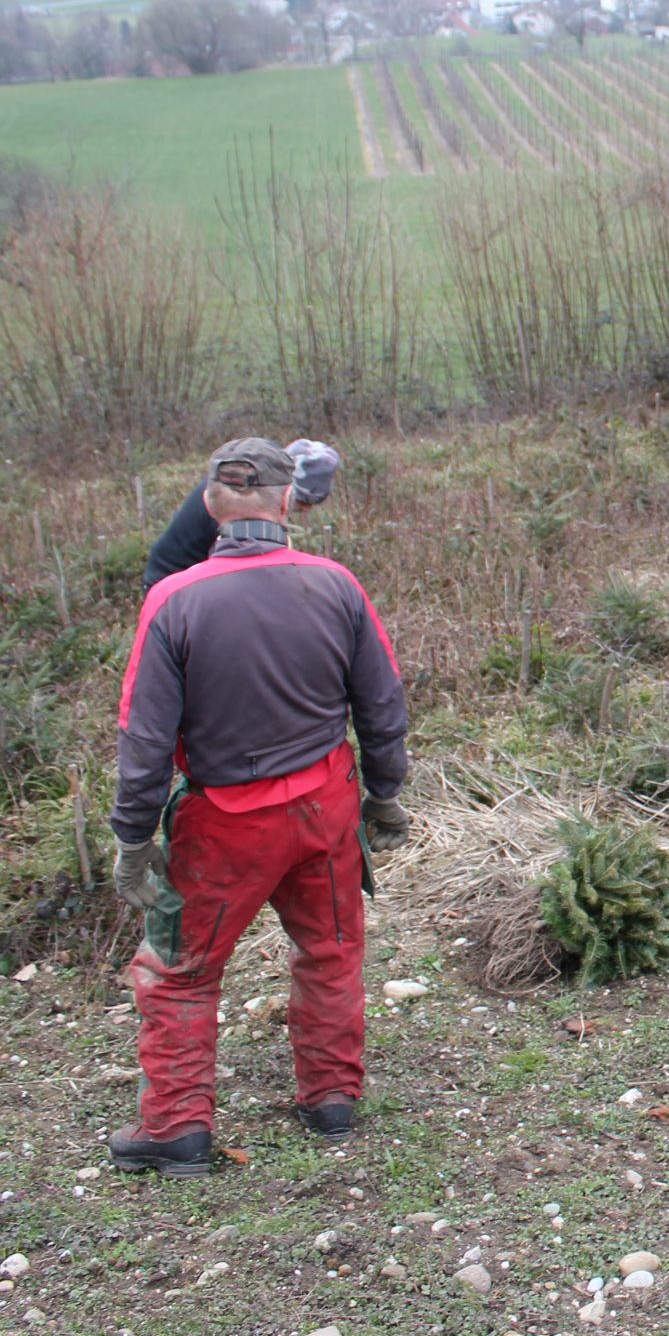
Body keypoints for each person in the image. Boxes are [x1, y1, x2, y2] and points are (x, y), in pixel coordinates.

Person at [106, 437, 411, 1175]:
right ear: (288, 501)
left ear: (210, 505)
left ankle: (178, 1125)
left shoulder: (172, 600)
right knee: (331, 950)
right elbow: (382, 700)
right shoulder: (336, 584)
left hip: (223, 824)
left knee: (180, 970)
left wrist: (133, 838)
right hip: (325, 808)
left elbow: (143, 737)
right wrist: (386, 794)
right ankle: (331, 1097)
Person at [143, 438, 342, 590]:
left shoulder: (259, 476)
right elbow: (243, 572)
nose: (306, 510)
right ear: (285, 489)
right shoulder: (236, 498)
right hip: (173, 583)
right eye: (303, 501)